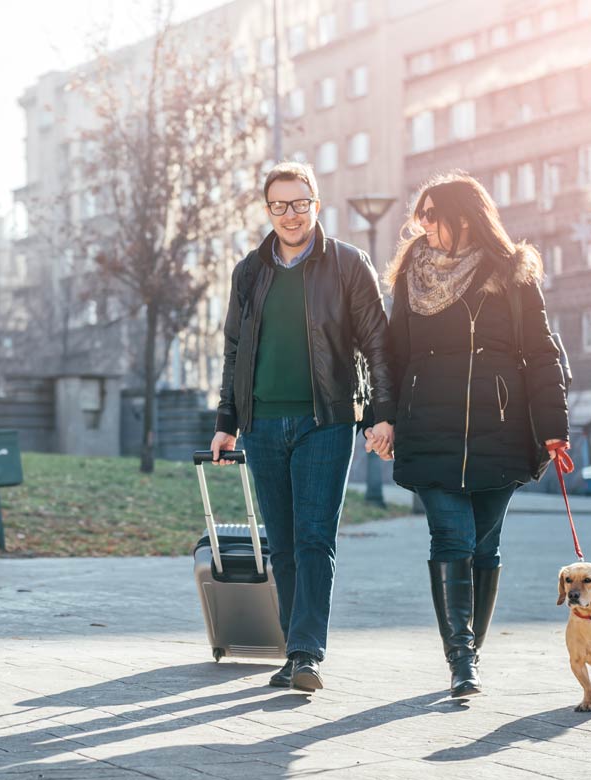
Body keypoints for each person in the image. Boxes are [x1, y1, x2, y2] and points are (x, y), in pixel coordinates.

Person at [210, 161, 396, 693]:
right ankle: (295, 651)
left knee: (315, 538)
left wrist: (383, 414)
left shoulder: (347, 264)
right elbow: (235, 350)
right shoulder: (249, 270)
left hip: (326, 420)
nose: (290, 215)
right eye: (279, 205)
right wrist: (227, 422)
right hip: (263, 422)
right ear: (267, 210)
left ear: (317, 204)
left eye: (299, 203)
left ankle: (307, 653)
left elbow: (377, 343)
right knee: (284, 543)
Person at [385, 171, 569, 697]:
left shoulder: (512, 274)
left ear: (462, 218)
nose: (422, 225)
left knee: (485, 547)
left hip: (502, 433)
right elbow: (392, 355)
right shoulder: (410, 277)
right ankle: (461, 658)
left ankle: (472, 651)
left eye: (430, 215)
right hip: (429, 430)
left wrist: (553, 429)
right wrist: (384, 416)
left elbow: (541, 354)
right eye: (420, 216)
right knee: (452, 537)